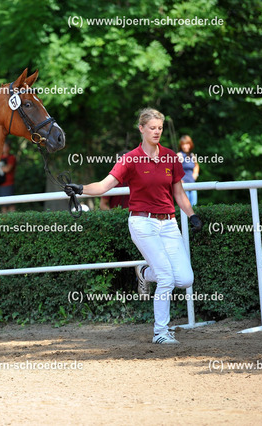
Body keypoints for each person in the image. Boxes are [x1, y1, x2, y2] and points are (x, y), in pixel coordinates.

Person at [64, 108, 203, 345]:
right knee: (167, 278)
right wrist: (80, 189)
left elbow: (179, 193)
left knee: (186, 279)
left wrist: (191, 215)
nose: (157, 132)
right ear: (141, 129)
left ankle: (145, 273)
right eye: (152, 128)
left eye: (159, 128)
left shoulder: (171, 157)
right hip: (142, 222)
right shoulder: (129, 159)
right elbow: (104, 186)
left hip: (169, 224)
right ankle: (161, 332)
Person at [0, 141, 17, 213]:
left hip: (8, 183)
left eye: (5, 146)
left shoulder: (11, 157)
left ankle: (14, 219)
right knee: (2, 205)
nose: (4, 148)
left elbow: (8, 169)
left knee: (10, 204)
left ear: (9, 148)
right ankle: (4, 221)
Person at [179, 135, 199, 205]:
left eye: (187, 144)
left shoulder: (192, 155)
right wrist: (179, 179)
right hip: (183, 185)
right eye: (183, 144)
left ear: (190, 144)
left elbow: (196, 165)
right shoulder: (179, 155)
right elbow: (174, 168)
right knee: (186, 206)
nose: (185, 146)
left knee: (194, 205)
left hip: (192, 183)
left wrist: (195, 174)